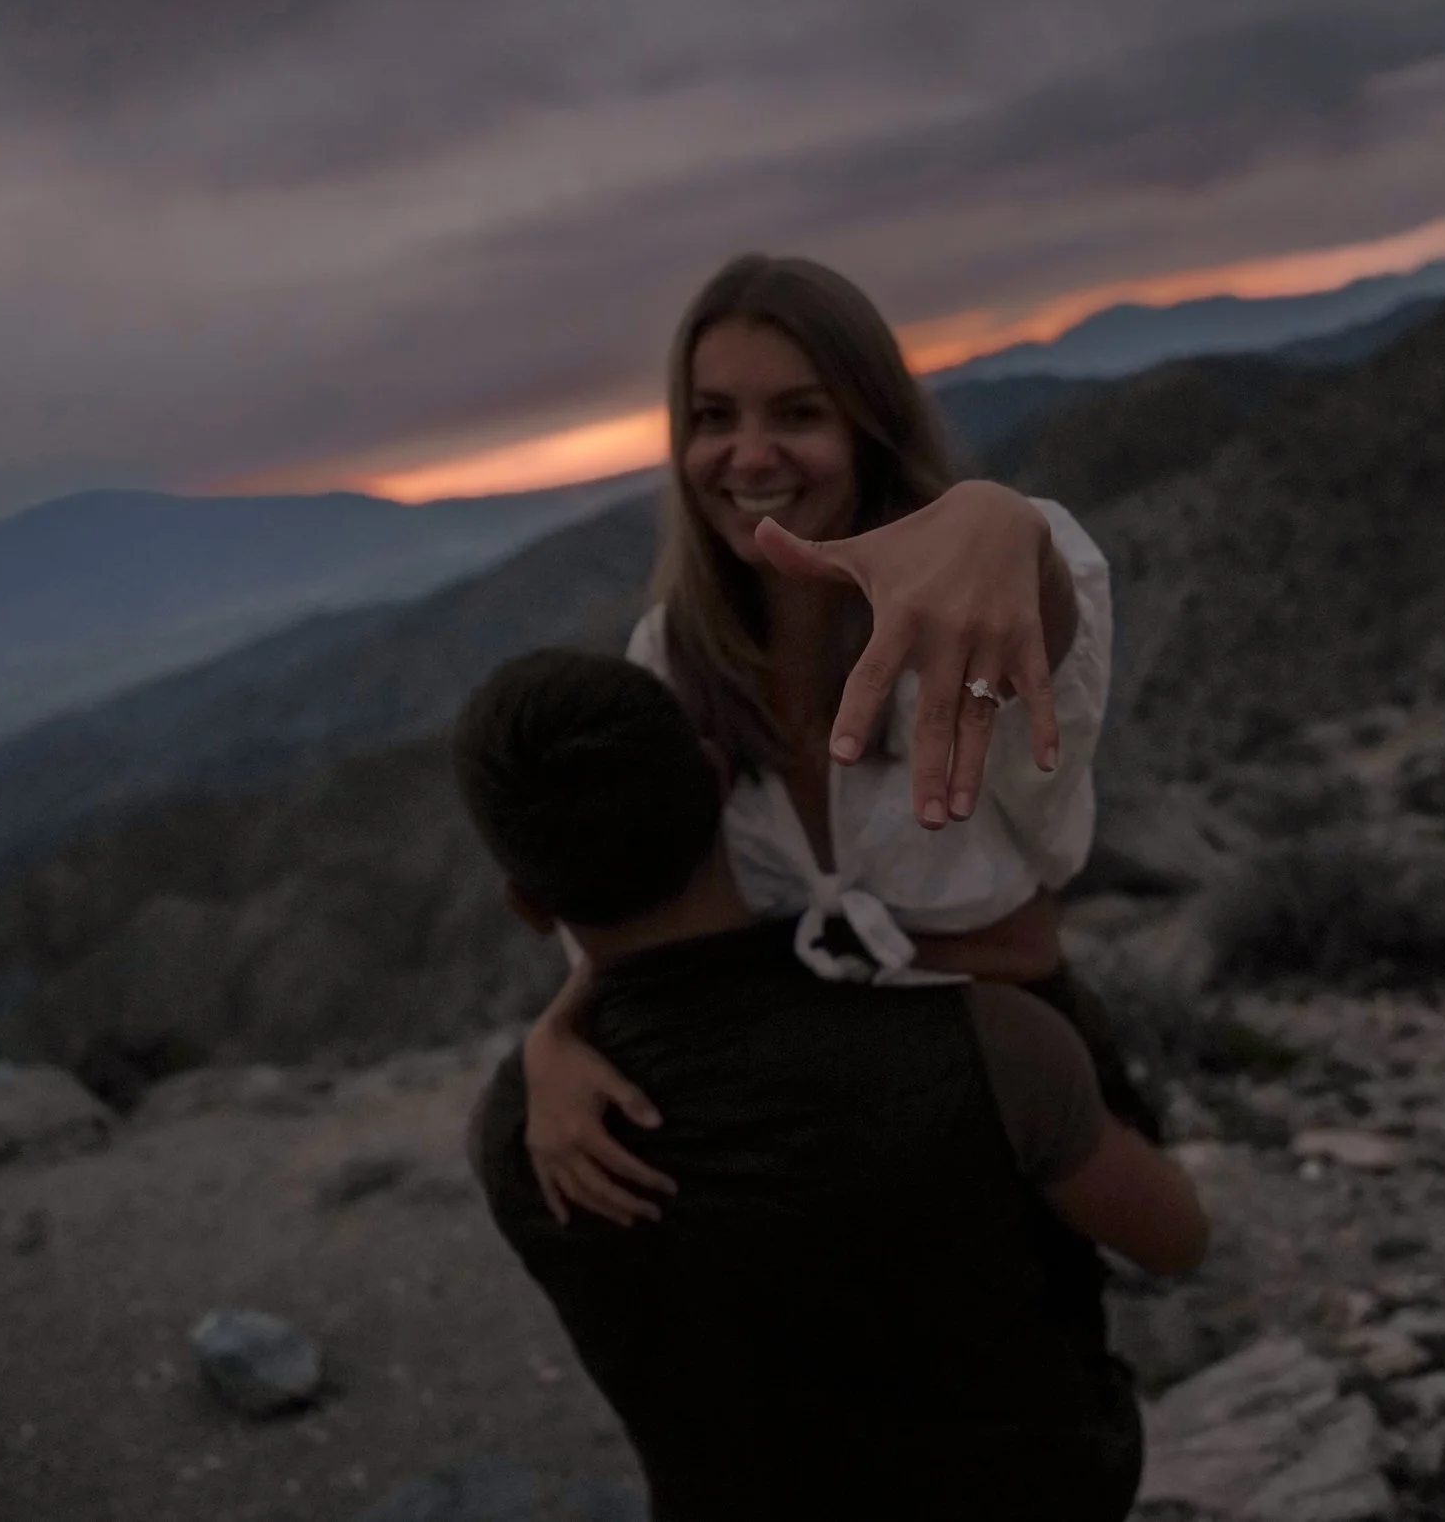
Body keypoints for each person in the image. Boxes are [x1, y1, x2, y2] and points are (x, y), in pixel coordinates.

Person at [456, 648, 1209, 1521]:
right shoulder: (990, 1043)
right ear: (715, 777)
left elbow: (658, 977)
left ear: (525, 903)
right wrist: (1041, 971)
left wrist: (558, 1021)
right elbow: (1176, 1239)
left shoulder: (524, 1135)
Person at [523, 252, 1160, 1227]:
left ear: (870, 424)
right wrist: (552, 1041)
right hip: (831, 1118)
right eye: (712, 417)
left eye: (797, 412)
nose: (749, 455)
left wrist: (999, 523)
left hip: (1020, 1073)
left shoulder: (975, 602)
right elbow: (632, 927)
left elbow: (1041, 606)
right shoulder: (669, 655)